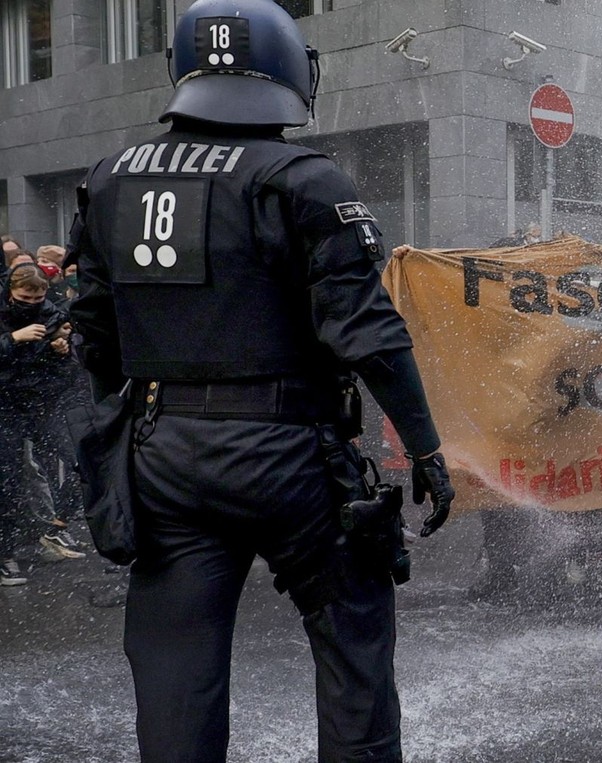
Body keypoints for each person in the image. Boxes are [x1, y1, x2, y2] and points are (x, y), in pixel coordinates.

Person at [66, 2, 455, 760]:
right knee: (353, 647)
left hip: (163, 453)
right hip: (291, 453)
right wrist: (426, 448)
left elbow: (95, 334)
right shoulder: (303, 180)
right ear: (287, 71)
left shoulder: (110, 180)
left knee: (175, 671)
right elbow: (370, 335)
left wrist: (129, 431)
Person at [0, 264, 79, 583]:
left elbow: (67, 368)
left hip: (41, 402)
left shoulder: (52, 314)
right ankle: (6, 552)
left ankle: (54, 526)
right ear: (11, 292)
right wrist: (13, 338)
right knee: (9, 478)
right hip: (6, 403)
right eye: (24, 298)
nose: (31, 303)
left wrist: (60, 350)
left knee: (78, 461)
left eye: (37, 297)